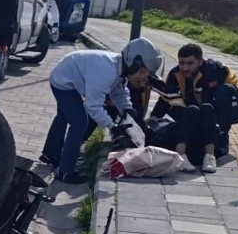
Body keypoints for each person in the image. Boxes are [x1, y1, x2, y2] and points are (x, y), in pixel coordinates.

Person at [41, 37, 162, 183]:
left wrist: (127, 109)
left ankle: (51, 154)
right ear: (132, 63)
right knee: (80, 123)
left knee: (64, 116)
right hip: (63, 80)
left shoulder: (120, 69)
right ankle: (65, 172)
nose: (144, 78)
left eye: (146, 74)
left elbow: (119, 91)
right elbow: (93, 106)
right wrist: (112, 127)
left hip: (68, 72)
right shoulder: (106, 72)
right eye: (142, 72)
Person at [148, 42, 238, 173]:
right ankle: (184, 154)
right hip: (202, 107)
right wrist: (154, 118)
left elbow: (219, 101)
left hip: (236, 106)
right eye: (181, 63)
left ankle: (220, 139)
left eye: (190, 63)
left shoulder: (214, 70)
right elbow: (167, 98)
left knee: (221, 95)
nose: (184, 67)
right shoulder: (175, 74)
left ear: (200, 61)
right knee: (190, 109)